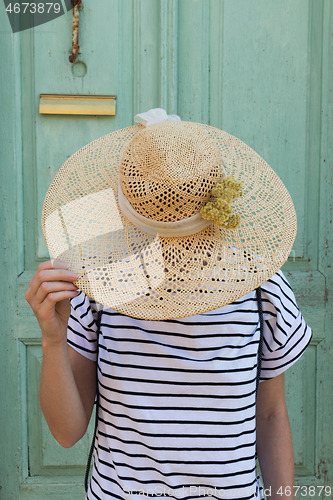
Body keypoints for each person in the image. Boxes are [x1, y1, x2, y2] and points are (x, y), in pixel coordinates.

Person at [26, 109, 312, 500]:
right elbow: (66, 432)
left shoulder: (260, 285)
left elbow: (271, 415)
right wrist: (53, 340)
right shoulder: (98, 281)